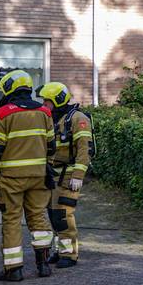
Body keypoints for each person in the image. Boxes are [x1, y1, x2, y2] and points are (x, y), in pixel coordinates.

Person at [0, 70, 56, 281]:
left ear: (9, 88)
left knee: (12, 220)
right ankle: (43, 265)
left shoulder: (3, 114)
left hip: (12, 179)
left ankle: (13, 269)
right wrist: (45, 166)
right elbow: (51, 146)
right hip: (39, 176)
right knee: (38, 217)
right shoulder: (45, 112)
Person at [38, 82, 92, 268]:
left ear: (58, 100)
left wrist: (78, 175)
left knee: (63, 214)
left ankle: (69, 254)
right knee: (52, 214)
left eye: (47, 102)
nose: (45, 105)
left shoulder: (78, 118)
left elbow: (85, 150)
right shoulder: (51, 118)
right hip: (53, 174)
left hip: (69, 174)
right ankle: (59, 250)